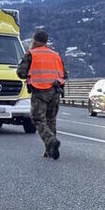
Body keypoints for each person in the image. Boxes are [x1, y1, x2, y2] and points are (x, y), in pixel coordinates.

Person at [16, 30, 66, 159]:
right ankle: (49, 151)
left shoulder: (31, 54)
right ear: (46, 41)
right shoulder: (55, 55)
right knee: (51, 120)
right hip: (55, 91)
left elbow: (20, 73)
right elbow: (64, 74)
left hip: (39, 91)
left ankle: (50, 141)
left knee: (38, 119)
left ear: (35, 40)